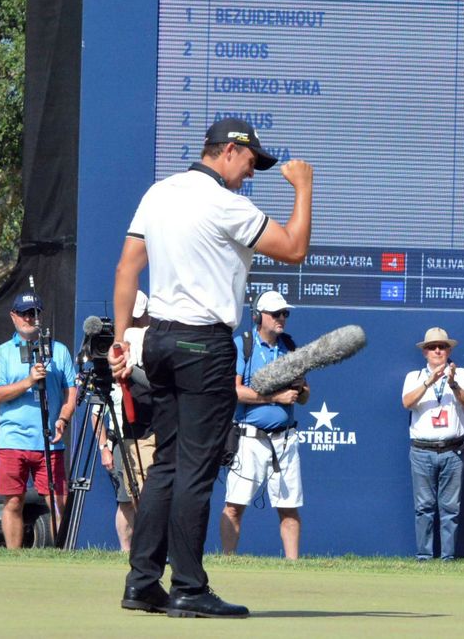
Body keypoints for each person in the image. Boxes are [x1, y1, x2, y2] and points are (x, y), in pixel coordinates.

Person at [109, 117, 312, 618]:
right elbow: (294, 247)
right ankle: (189, 587)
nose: (251, 174)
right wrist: (304, 188)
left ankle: (141, 583)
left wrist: (120, 340)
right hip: (204, 345)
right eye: (249, 163)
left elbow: (126, 268)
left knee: (168, 465)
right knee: (195, 471)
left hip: (157, 341)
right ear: (228, 151)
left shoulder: (158, 193)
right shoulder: (227, 203)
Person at [221, 290, 309, 560]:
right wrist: (275, 396)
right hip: (249, 438)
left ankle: (294, 569)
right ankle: (228, 561)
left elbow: (304, 396)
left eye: (285, 313)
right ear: (259, 316)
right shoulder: (243, 345)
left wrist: (299, 390)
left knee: (289, 507)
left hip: (285, 439)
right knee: (234, 506)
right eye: (276, 314)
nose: (282, 318)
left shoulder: (291, 348)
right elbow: (234, 391)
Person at [0, 291, 78, 550]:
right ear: (13, 316)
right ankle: (14, 559)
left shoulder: (58, 351)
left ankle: (62, 556)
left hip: (49, 440)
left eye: (34, 313)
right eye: (24, 313)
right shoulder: (2, 353)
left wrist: (63, 418)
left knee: (58, 501)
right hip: (13, 440)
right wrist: (28, 381)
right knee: (14, 501)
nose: (29, 318)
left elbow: (70, 390)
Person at [401, 327, 464, 561]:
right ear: (425, 352)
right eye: (432, 347)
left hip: (453, 450)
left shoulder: (461, 374)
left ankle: (447, 558)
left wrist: (452, 384)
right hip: (422, 450)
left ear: (449, 350)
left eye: (442, 346)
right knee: (424, 508)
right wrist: (429, 382)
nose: (438, 350)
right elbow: (407, 403)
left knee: (451, 509)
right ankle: (424, 556)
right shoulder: (414, 377)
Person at [101, 290, 154, 552]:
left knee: (149, 496)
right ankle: (127, 551)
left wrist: (134, 372)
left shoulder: (154, 339)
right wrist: (103, 445)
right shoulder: (115, 345)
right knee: (127, 498)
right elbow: (98, 403)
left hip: (152, 426)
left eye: (137, 318)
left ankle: (149, 550)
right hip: (123, 433)